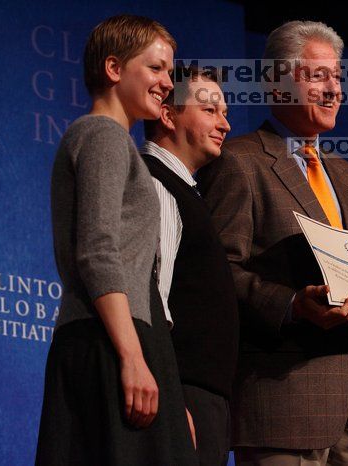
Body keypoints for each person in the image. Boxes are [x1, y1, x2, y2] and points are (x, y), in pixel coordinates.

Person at [197, 20, 348, 466]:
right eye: (317, 76)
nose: (333, 90)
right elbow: (218, 274)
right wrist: (291, 305)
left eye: (338, 77)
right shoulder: (239, 162)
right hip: (282, 405)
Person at [36, 15, 197, 466]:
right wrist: (132, 357)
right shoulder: (102, 134)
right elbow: (97, 249)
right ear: (113, 68)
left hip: (126, 339)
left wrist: (163, 377)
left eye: (169, 71)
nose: (168, 82)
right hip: (108, 342)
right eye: (156, 68)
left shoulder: (114, 141)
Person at [141, 66, 238, 465]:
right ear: (168, 115)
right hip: (179, 394)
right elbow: (151, 301)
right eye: (211, 110)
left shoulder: (188, 192)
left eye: (225, 113)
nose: (226, 124)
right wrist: (170, 395)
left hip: (201, 397)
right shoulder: (157, 183)